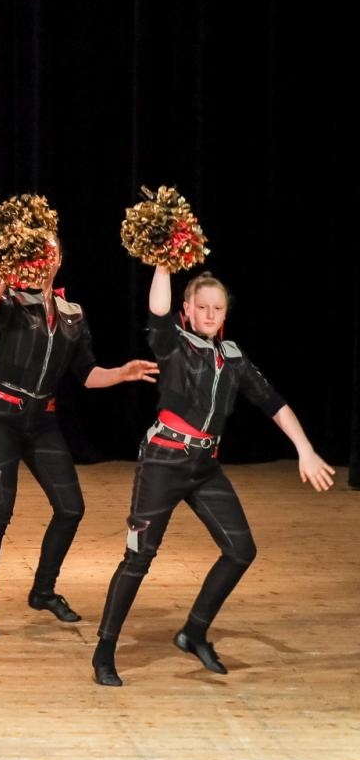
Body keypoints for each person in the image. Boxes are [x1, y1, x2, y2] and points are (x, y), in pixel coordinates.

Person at [91, 268, 334, 686]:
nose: (209, 314)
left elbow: (273, 403)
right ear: (187, 310)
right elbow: (158, 309)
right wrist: (164, 263)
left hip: (204, 469)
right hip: (163, 461)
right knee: (140, 557)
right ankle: (104, 650)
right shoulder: (173, 345)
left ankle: (193, 632)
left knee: (241, 550)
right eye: (201, 307)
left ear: (225, 314)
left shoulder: (234, 357)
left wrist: (305, 449)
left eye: (217, 308)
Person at [0, 247, 158, 637]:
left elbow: (86, 375)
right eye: (37, 252)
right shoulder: (15, 302)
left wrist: (122, 372)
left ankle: (43, 590)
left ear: (59, 259)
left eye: (50, 252)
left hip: (42, 422)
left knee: (71, 508)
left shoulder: (73, 314)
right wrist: (6, 270)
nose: (45, 259)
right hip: (1, 417)